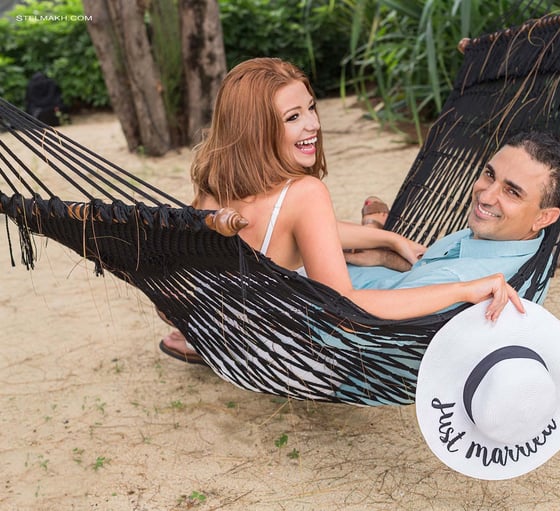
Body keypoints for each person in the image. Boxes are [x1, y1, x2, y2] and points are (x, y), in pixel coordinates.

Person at [160, 57, 523, 364]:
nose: (313, 125)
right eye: (292, 118)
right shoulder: (304, 194)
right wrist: (462, 290)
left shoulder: (215, 186)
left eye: (311, 108)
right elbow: (345, 306)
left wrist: (390, 238)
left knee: (351, 249)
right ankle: (373, 237)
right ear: (256, 130)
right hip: (280, 350)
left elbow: (290, 227)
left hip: (219, 328)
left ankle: (376, 237)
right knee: (341, 266)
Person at [345, 130, 560, 305]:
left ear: (544, 218)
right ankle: (374, 235)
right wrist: (384, 257)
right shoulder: (527, 246)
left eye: (512, 191)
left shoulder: (454, 281)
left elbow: (352, 314)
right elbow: (431, 268)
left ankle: (371, 231)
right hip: (392, 281)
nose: (485, 196)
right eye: (489, 174)